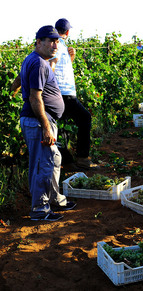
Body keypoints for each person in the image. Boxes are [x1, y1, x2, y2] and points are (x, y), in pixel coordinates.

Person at [15, 25, 76, 221]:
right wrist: (46, 127)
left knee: (53, 159)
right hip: (38, 122)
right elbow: (35, 98)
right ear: (38, 42)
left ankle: (55, 199)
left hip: (38, 121)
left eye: (57, 41)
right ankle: (40, 211)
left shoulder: (35, 60)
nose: (55, 44)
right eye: (51, 41)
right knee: (43, 165)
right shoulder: (39, 63)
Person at [49, 18, 98, 170]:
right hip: (63, 93)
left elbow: (60, 66)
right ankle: (80, 159)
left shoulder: (61, 45)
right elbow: (52, 64)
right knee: (84, 118)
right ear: (68, 32)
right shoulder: (57, 44)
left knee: (61, 125)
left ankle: (67, 160)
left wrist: (71, 58)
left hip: (62, 92)